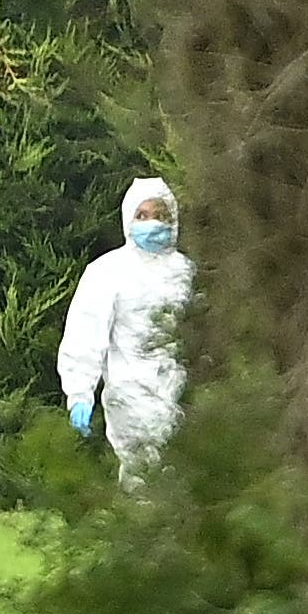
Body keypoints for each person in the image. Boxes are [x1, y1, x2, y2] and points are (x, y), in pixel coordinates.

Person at [57, 174, 191, 484]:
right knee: (141, 477)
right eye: (142, 215)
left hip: (183, 393)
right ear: (128, 219)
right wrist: (79, 393)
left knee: (185, 479)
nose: (152, 223)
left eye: (160, 215)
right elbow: (85, 335)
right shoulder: (108, 272)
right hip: (130, 395)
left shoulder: (186, 272)